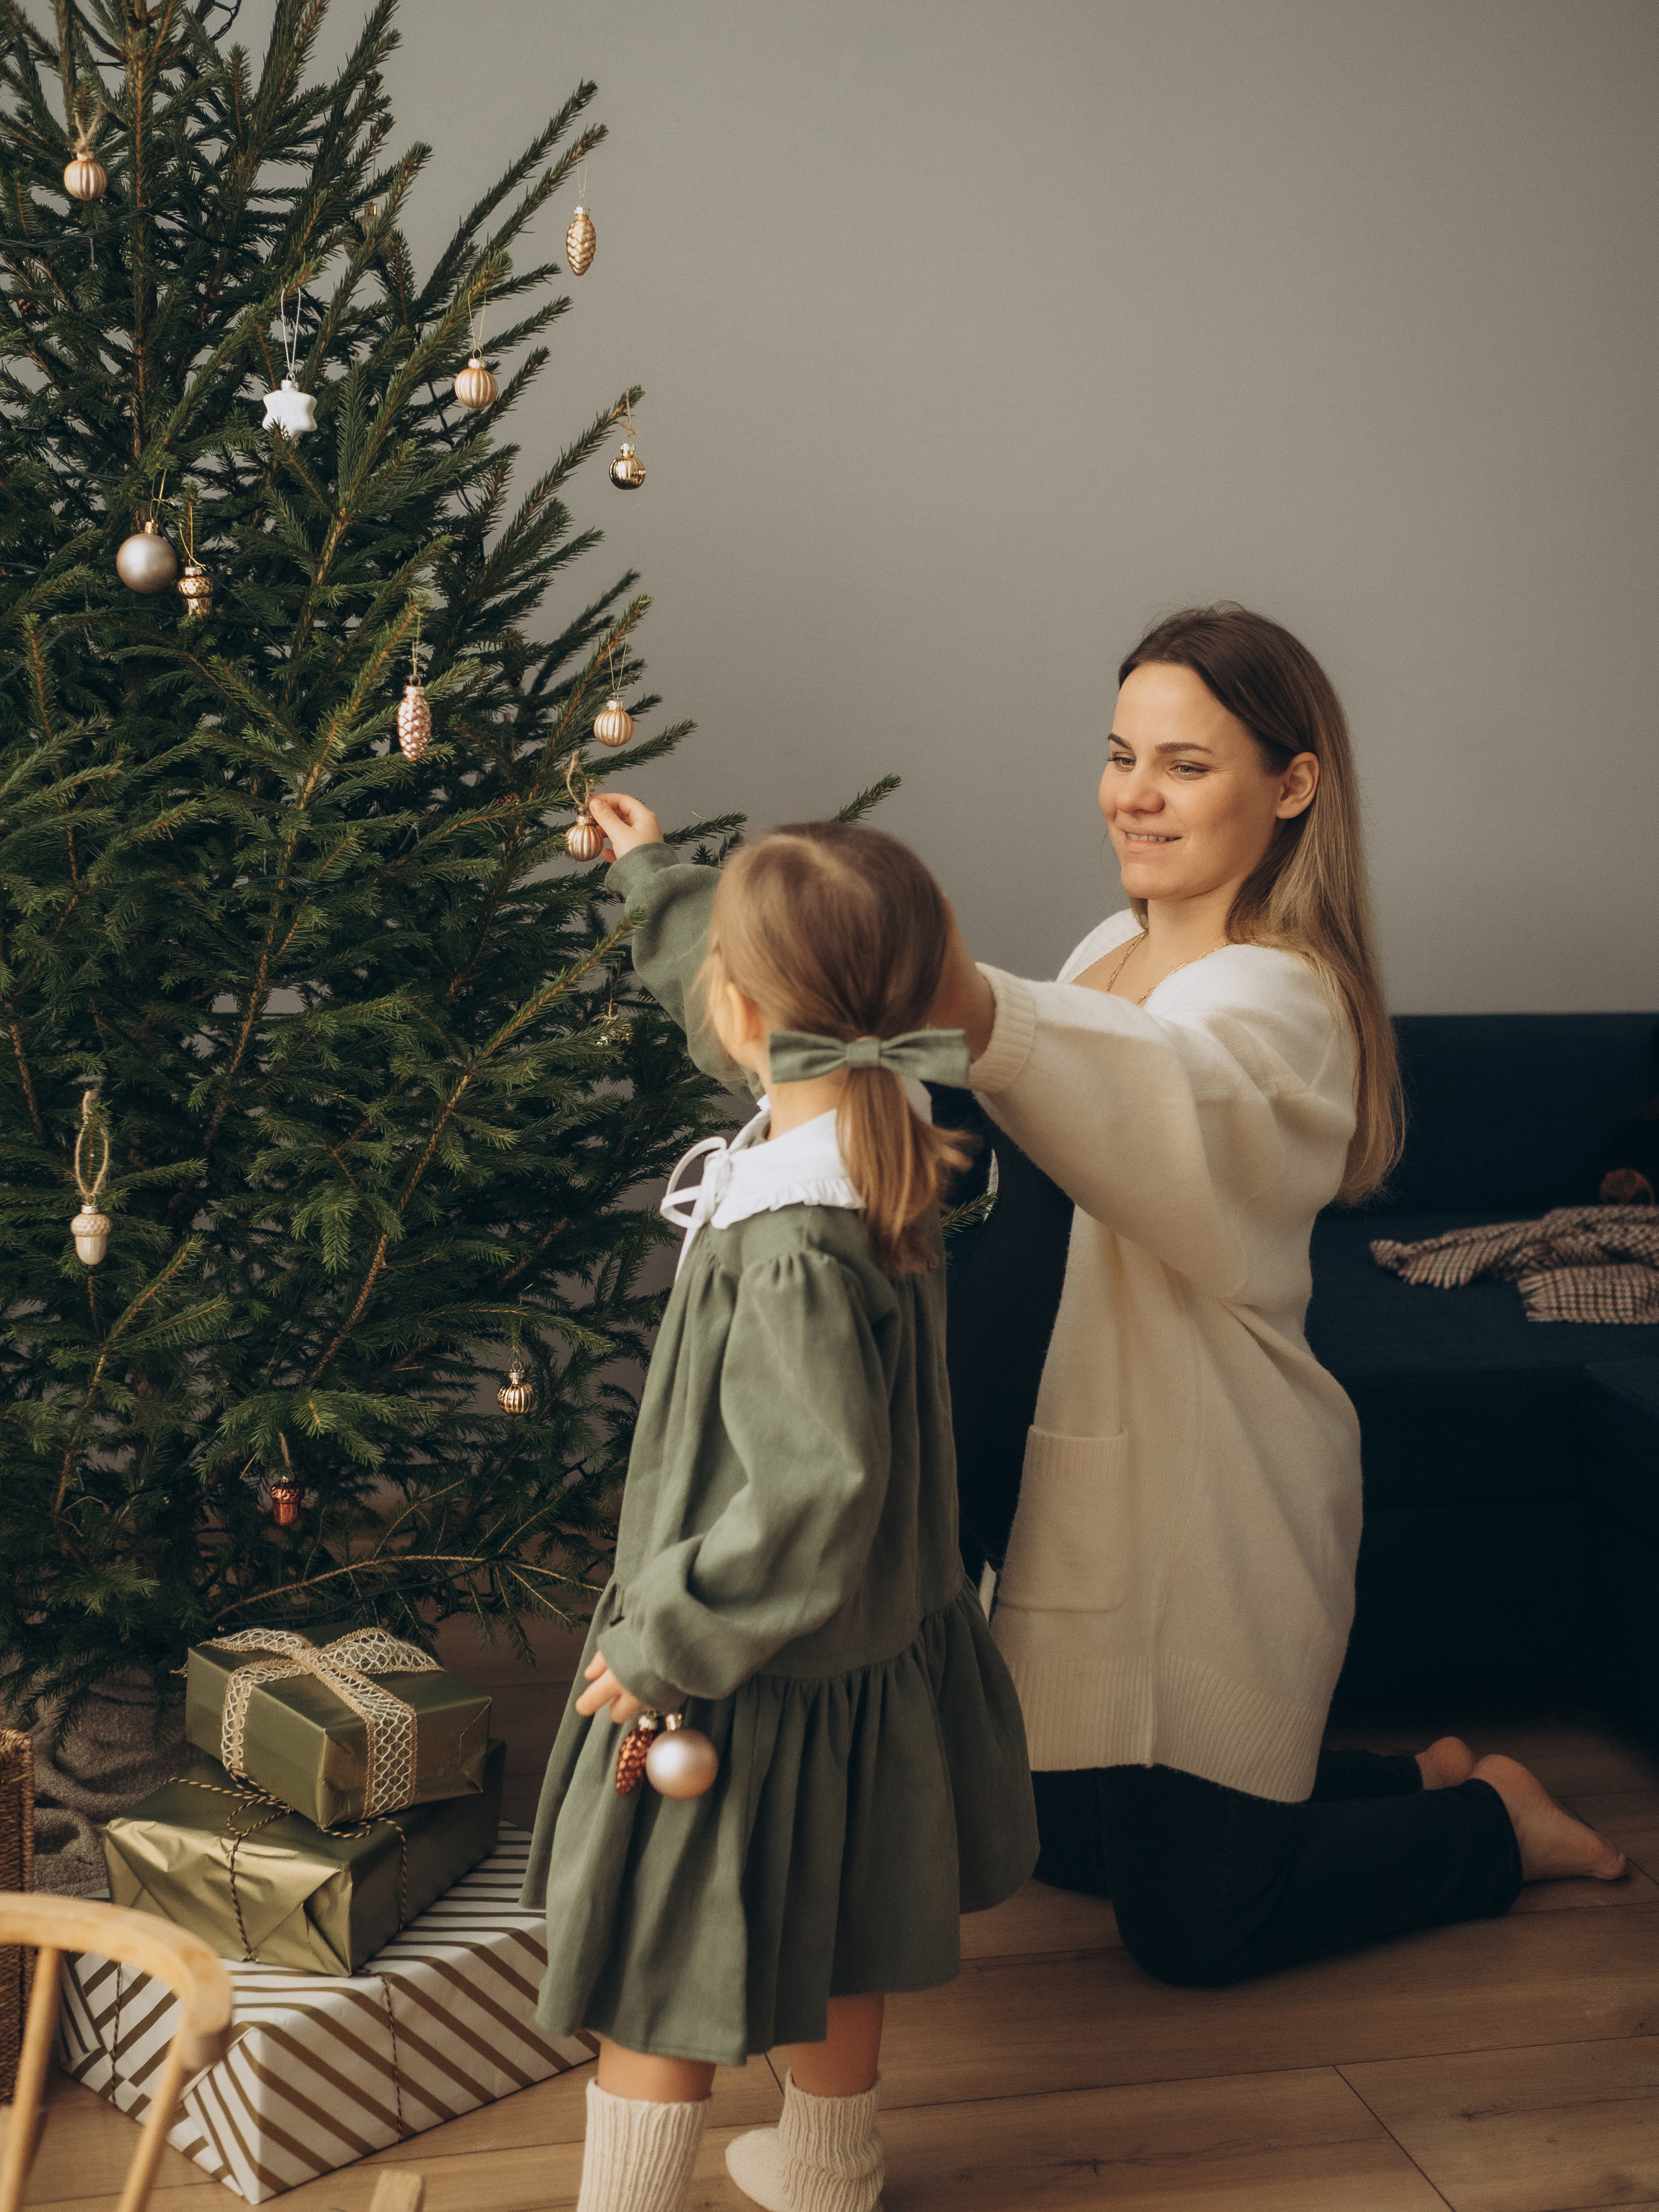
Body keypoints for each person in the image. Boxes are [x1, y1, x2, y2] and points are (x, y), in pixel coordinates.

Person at [927, 601, 1626, 1988]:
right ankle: (1406, 1771)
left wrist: (963, 1002)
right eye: (1121, 755)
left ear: (1289, 784)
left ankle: (1495, 1824)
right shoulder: (1093, 951)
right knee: (1054, 1847)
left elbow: (1159, 1109)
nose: (1135, 795)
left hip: (1205, 1489)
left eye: (1185, 765)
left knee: (1194, 1934)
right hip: (1079, 1470)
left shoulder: (1279, 996)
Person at [520, 811, 1038, 2212]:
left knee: (655, 1976)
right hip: (862, 1663)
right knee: (843, 1931)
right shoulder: (872, 1135)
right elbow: (747, 995)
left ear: (743, 1013)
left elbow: (815, 1489)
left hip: (738, 1677)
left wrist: (667, 1640)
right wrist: (650, 879)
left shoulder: (792, 1240)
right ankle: (826, 2170)